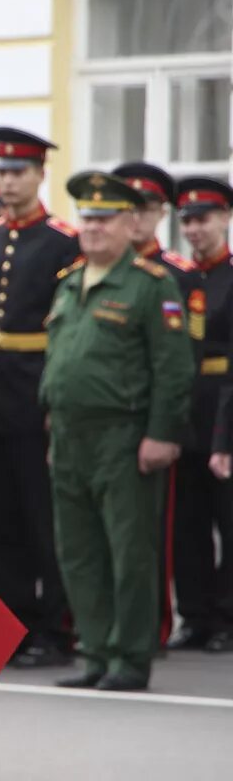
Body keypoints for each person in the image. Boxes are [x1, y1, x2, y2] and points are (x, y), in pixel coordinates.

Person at [42, 171, 193, 691]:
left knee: (129, 551)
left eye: (105, 219)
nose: (93, 227)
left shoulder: (152, 285)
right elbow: (60, 360)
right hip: (68, 435)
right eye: (87, 217)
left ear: (131, 224)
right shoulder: (69, 282)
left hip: (123, 437)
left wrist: (162, 433)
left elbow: (173, 368)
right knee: (78, 550)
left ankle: (130, 658)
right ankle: (97, 652)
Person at [0, 127, 79, 668]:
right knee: (1, 519)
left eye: (18, 173)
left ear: (39, 175)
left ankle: (57, 629)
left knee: (42, 519)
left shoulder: (63, 240)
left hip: (38, 391)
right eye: (2, 173)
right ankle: (12, 626)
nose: (8, 182)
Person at [111, 162, 202, 649]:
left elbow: (181, 359)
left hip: (153, 417)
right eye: (130, 209)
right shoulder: (99, 271)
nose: (137, 219)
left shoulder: (178, 276)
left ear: (160, 213)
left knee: (157, 532)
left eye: (146, 209)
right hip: (109, 419)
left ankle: (156, 624)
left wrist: (167, 425)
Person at [169, 177, 233, 652]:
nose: (194, 230)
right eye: (187, 221)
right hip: (189, 405)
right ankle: (194, 614)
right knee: (187, 520)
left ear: (226, 218)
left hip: (226, 405)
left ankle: (227, 614)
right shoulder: (180, 278)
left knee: (227, 520)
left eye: (203, 219)